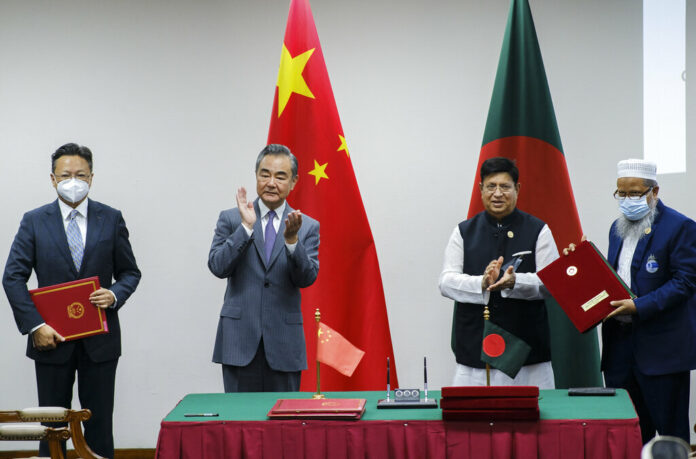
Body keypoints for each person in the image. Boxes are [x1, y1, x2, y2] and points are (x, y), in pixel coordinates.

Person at [3, 143, 141, 458]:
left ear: (91, 177)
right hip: (51, 339)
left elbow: (131, 273)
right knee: (51, 426)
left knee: (100, 425)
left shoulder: (111, 218)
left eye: (80, 174)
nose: (73, 181)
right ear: (53, 179)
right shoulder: (34, 221)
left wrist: (115, 294)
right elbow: (12, 277)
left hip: (100, 342)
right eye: (66, 175)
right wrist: (35, 326)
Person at [565, 159, 696, 444]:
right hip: (620, 350)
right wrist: (583, 262)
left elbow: (685, 282)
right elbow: (615, 281)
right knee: (627, 435)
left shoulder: (680, 227)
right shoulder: (617, 228)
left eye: (635, 193)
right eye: (621, 193)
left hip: (661, 352)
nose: (627, 200)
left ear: (654, 191)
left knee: (671, 437)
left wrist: (640, 306)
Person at [439, 157, 559, 388]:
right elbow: (445, 281)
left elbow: (550, 283)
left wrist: (515, 282)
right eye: (491, 186)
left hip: (527, 352)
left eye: (505, 187)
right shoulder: (463, 231)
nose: (497, 193)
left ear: (517, 189)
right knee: (472, 422)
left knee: (532, 420)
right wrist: (481, 283)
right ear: (481, 189)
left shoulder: (539, 230)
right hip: (475, 348)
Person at [208, 144, 319, 392]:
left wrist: (292, 242)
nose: (271, 182)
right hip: (238, 341)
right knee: (239, 426)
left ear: (294, 182)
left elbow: (307, 278)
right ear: (256, 175)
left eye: (280, 176)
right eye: (264, 174)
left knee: (283, 427)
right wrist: (245, 230)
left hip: (284, 344)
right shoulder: (232, 218)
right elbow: (217, 266)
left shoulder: (307, 226)